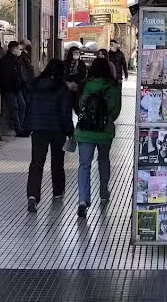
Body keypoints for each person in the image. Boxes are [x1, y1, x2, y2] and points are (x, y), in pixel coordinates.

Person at [74, 57, 122, 217]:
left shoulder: (85, 84)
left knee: (84, 165)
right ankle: (103, 190)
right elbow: (116, 110)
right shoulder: (113, 87)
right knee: (103, 160)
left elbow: (79, 106)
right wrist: (106, 119)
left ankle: (83, 199)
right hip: (104, 131)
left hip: (85, 131)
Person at [26, 59, 73, 212]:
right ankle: (57, 192)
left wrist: (29, 125)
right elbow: (66, 112)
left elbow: (30, 106)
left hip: (38, 129)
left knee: (36, 162)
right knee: (57, 162)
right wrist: (70, 130)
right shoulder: (61, 88)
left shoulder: (35, 84)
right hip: (57, 130)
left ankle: (33, 195)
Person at [0, 41, 28, 136]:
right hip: (10, 89)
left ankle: (22, 127)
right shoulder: (6, 61)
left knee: (22, 106)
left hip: (17, 88)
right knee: (15, 108)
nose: (20, 51)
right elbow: (6, 76)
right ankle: (18, 130)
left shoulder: (17, 59)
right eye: (18, 49)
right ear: (13, 49)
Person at [63, 45, 88, 115]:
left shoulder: (81, 63)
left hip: (77, 87)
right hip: (67, 87)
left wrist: (77, 83)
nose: (77, 54)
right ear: (71, 53)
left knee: (77, 106)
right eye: (75, 52)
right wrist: (68, 83)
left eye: (78, 52)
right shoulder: (65, 63)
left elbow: (83, 75)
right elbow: (63, 74)